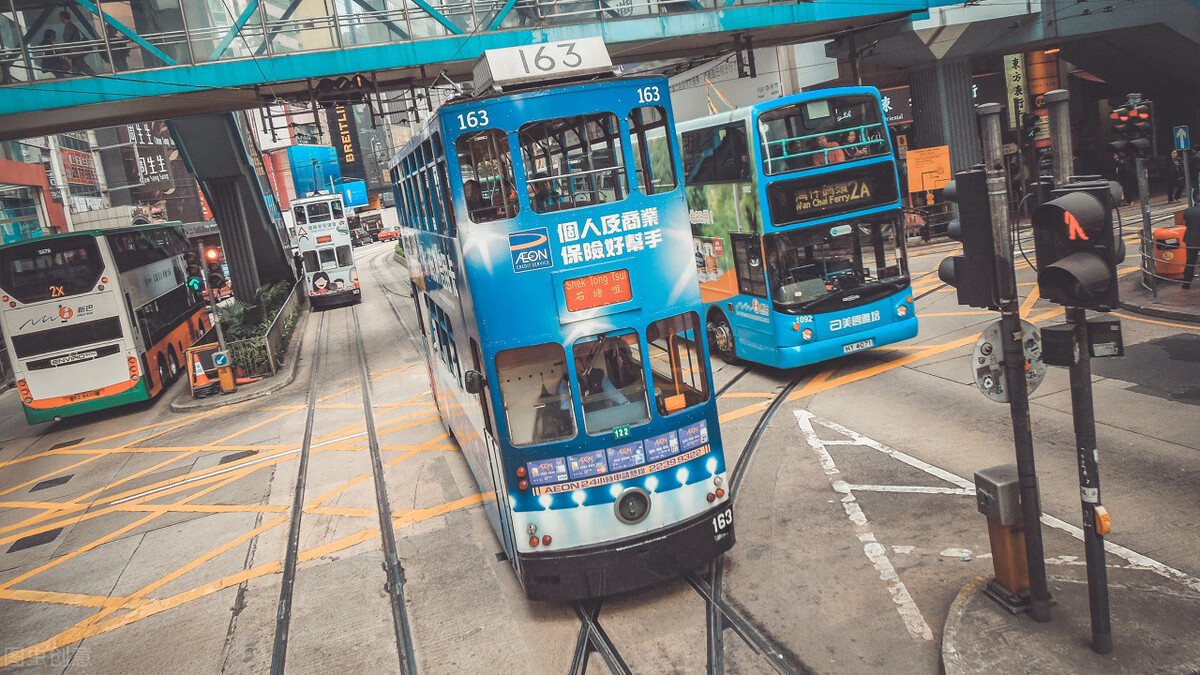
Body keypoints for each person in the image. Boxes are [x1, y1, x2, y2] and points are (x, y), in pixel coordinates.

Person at [59, 10, 94, 76]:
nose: (60, 19)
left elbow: (67, 40)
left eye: (60, 17)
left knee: (81, 65)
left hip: (75, 51)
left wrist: (62, 52)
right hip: (76, 51)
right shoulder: (72, 25)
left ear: (62, 17)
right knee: (76, 69)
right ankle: (95, 76)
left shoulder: (68, 26)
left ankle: (97, 77)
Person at [1182, 207, 1200, 290]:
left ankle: (1186, 283)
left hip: (1191, 238)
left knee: (1190, 261)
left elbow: (1184, 223)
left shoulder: (1188, 210)